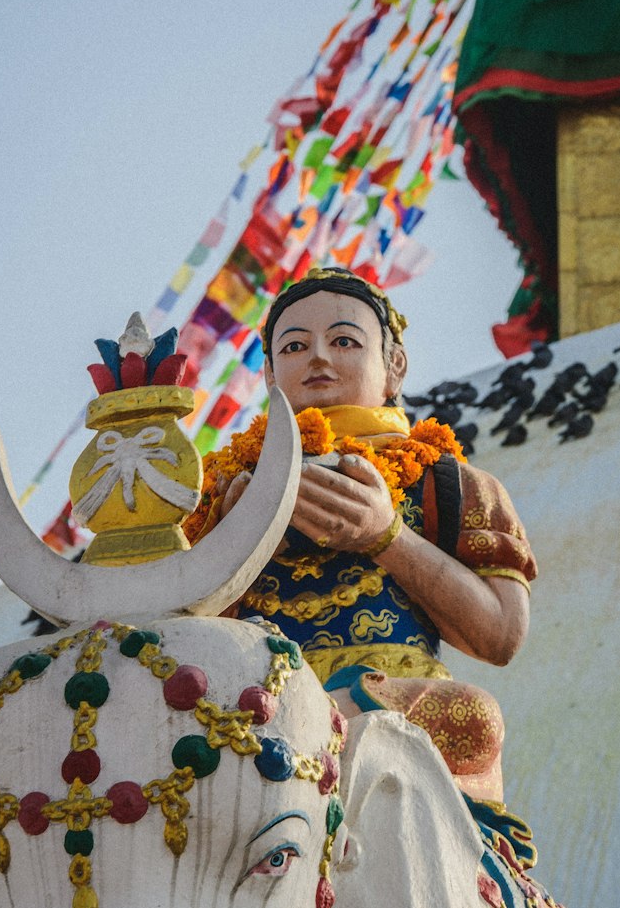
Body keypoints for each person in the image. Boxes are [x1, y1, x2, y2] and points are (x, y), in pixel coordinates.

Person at [186, 268, 535, 809]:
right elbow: (185, 645)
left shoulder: (446, 481)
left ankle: (321, 723)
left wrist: (387, 536)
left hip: (390, 700)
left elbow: (501, 636)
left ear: (394, 366)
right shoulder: (226, 492)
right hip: (259, 704)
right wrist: (238, 547)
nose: (319, 359)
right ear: (273, 377)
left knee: (473, 715)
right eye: (295, 346)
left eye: (344, 340)